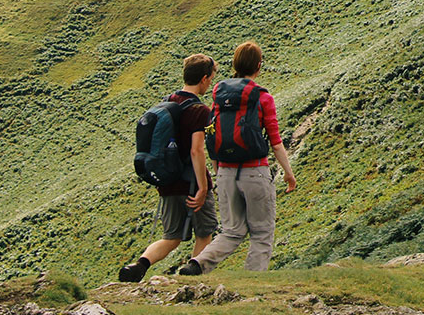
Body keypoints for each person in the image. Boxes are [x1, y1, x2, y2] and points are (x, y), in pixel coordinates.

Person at [179, 42, 298, 275]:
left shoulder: (218, 93)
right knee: (262, 232)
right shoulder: (262, 97)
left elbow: (213, 132)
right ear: (258, 65)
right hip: (255, 171)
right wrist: (289, 173)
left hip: (225, 172)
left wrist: (217, 171)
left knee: (232, 231)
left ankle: (197, 264)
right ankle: (252, 283)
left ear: (234, 64)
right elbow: (275, 141)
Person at [119, 55, 220, 282]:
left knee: (172, 237)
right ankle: (193, 279)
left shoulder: (169, 101)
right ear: (204, 79)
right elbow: (196, 151)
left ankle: (138, 266)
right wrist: (203, 187)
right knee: (204, 233)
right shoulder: (198, 110)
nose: (210, 83)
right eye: (211, 78)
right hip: (192, 183)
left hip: (168, 182)